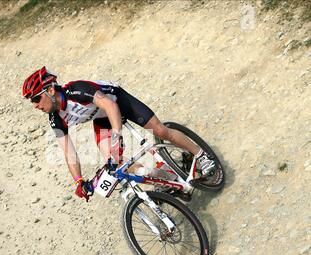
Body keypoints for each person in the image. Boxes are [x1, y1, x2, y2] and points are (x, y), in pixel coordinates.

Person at [22, 66, 215, 201]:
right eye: (32, 102)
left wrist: (117, 136)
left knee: (159, 130)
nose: (36, 106)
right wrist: (78, 181)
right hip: (101, 117)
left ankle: (201, 155)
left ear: (49, 90)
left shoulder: (76, 91)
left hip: (116, 100)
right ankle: (170, 178)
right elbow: (68, 152)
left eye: (36, 99)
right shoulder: (55, 119)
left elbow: (110, 105)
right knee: (116, 164)